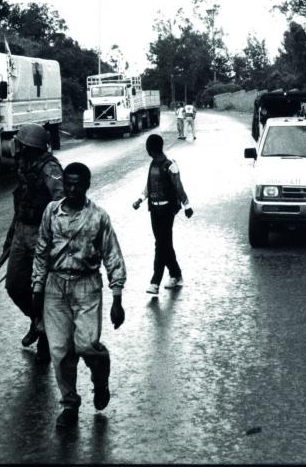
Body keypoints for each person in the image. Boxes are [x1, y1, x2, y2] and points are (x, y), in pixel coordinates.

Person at [31, 162, 126, 429]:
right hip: (55, 286)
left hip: (87, 286)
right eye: (68, 184)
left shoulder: (98, 217)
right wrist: (37, 288)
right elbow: (41, 251)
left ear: (86, 186)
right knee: (59, 351)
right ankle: (70, 404)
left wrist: (117, 297)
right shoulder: (51, 212)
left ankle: (100, 374)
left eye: (77, 185)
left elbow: (112, 255)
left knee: (86, 345)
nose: (71, 190)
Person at [3, 123, 64, 363]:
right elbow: (20, 203)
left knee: (42, 290)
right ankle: (38, 322)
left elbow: (62, 204)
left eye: (20, 143)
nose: (15, 146)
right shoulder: (23, 165)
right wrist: (10, 238)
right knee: (15, 285)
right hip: (21, 232)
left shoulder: (50, 168)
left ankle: (46, 338)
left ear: (29, 147)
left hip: (42, 236)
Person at [132, 134, 193, 295]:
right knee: (164, 244)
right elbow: (149, 185)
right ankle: (176, 274)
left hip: (167, 211)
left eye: (147, 148)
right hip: (154, 210)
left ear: (151, 149)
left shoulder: (170, 165)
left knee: (160, 244)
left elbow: (178, 186)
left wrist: (187, 205)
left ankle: (155, 282)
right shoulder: (152, 165)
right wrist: (140, 200)